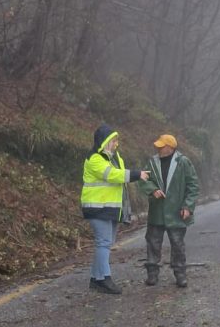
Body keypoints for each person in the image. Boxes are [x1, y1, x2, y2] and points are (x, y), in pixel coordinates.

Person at [81, 125, 149, 294]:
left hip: (111, 207)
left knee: (105, 243)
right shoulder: (95, 159)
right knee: (103, 243)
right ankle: (104, 278)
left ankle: (96, 278)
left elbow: (118, 176)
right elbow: (113, 175)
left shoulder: (114, 157)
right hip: (97, 208)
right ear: (105, 141)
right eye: (113, 140)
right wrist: (136, 174)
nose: (116, 143)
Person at [141, 133, 199, 287]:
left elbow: (193, 185)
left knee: (178, 245)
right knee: (153, 243)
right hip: (157, 211)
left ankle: (180, 274)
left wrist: (188, 206)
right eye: (158, 146)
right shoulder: (152, 162)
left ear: (170, 148)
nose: (158, 148)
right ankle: (152, 274)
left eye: (161, 146)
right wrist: (153, 190)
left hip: (177, 212)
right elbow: (145, 179)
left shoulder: (183, 162)